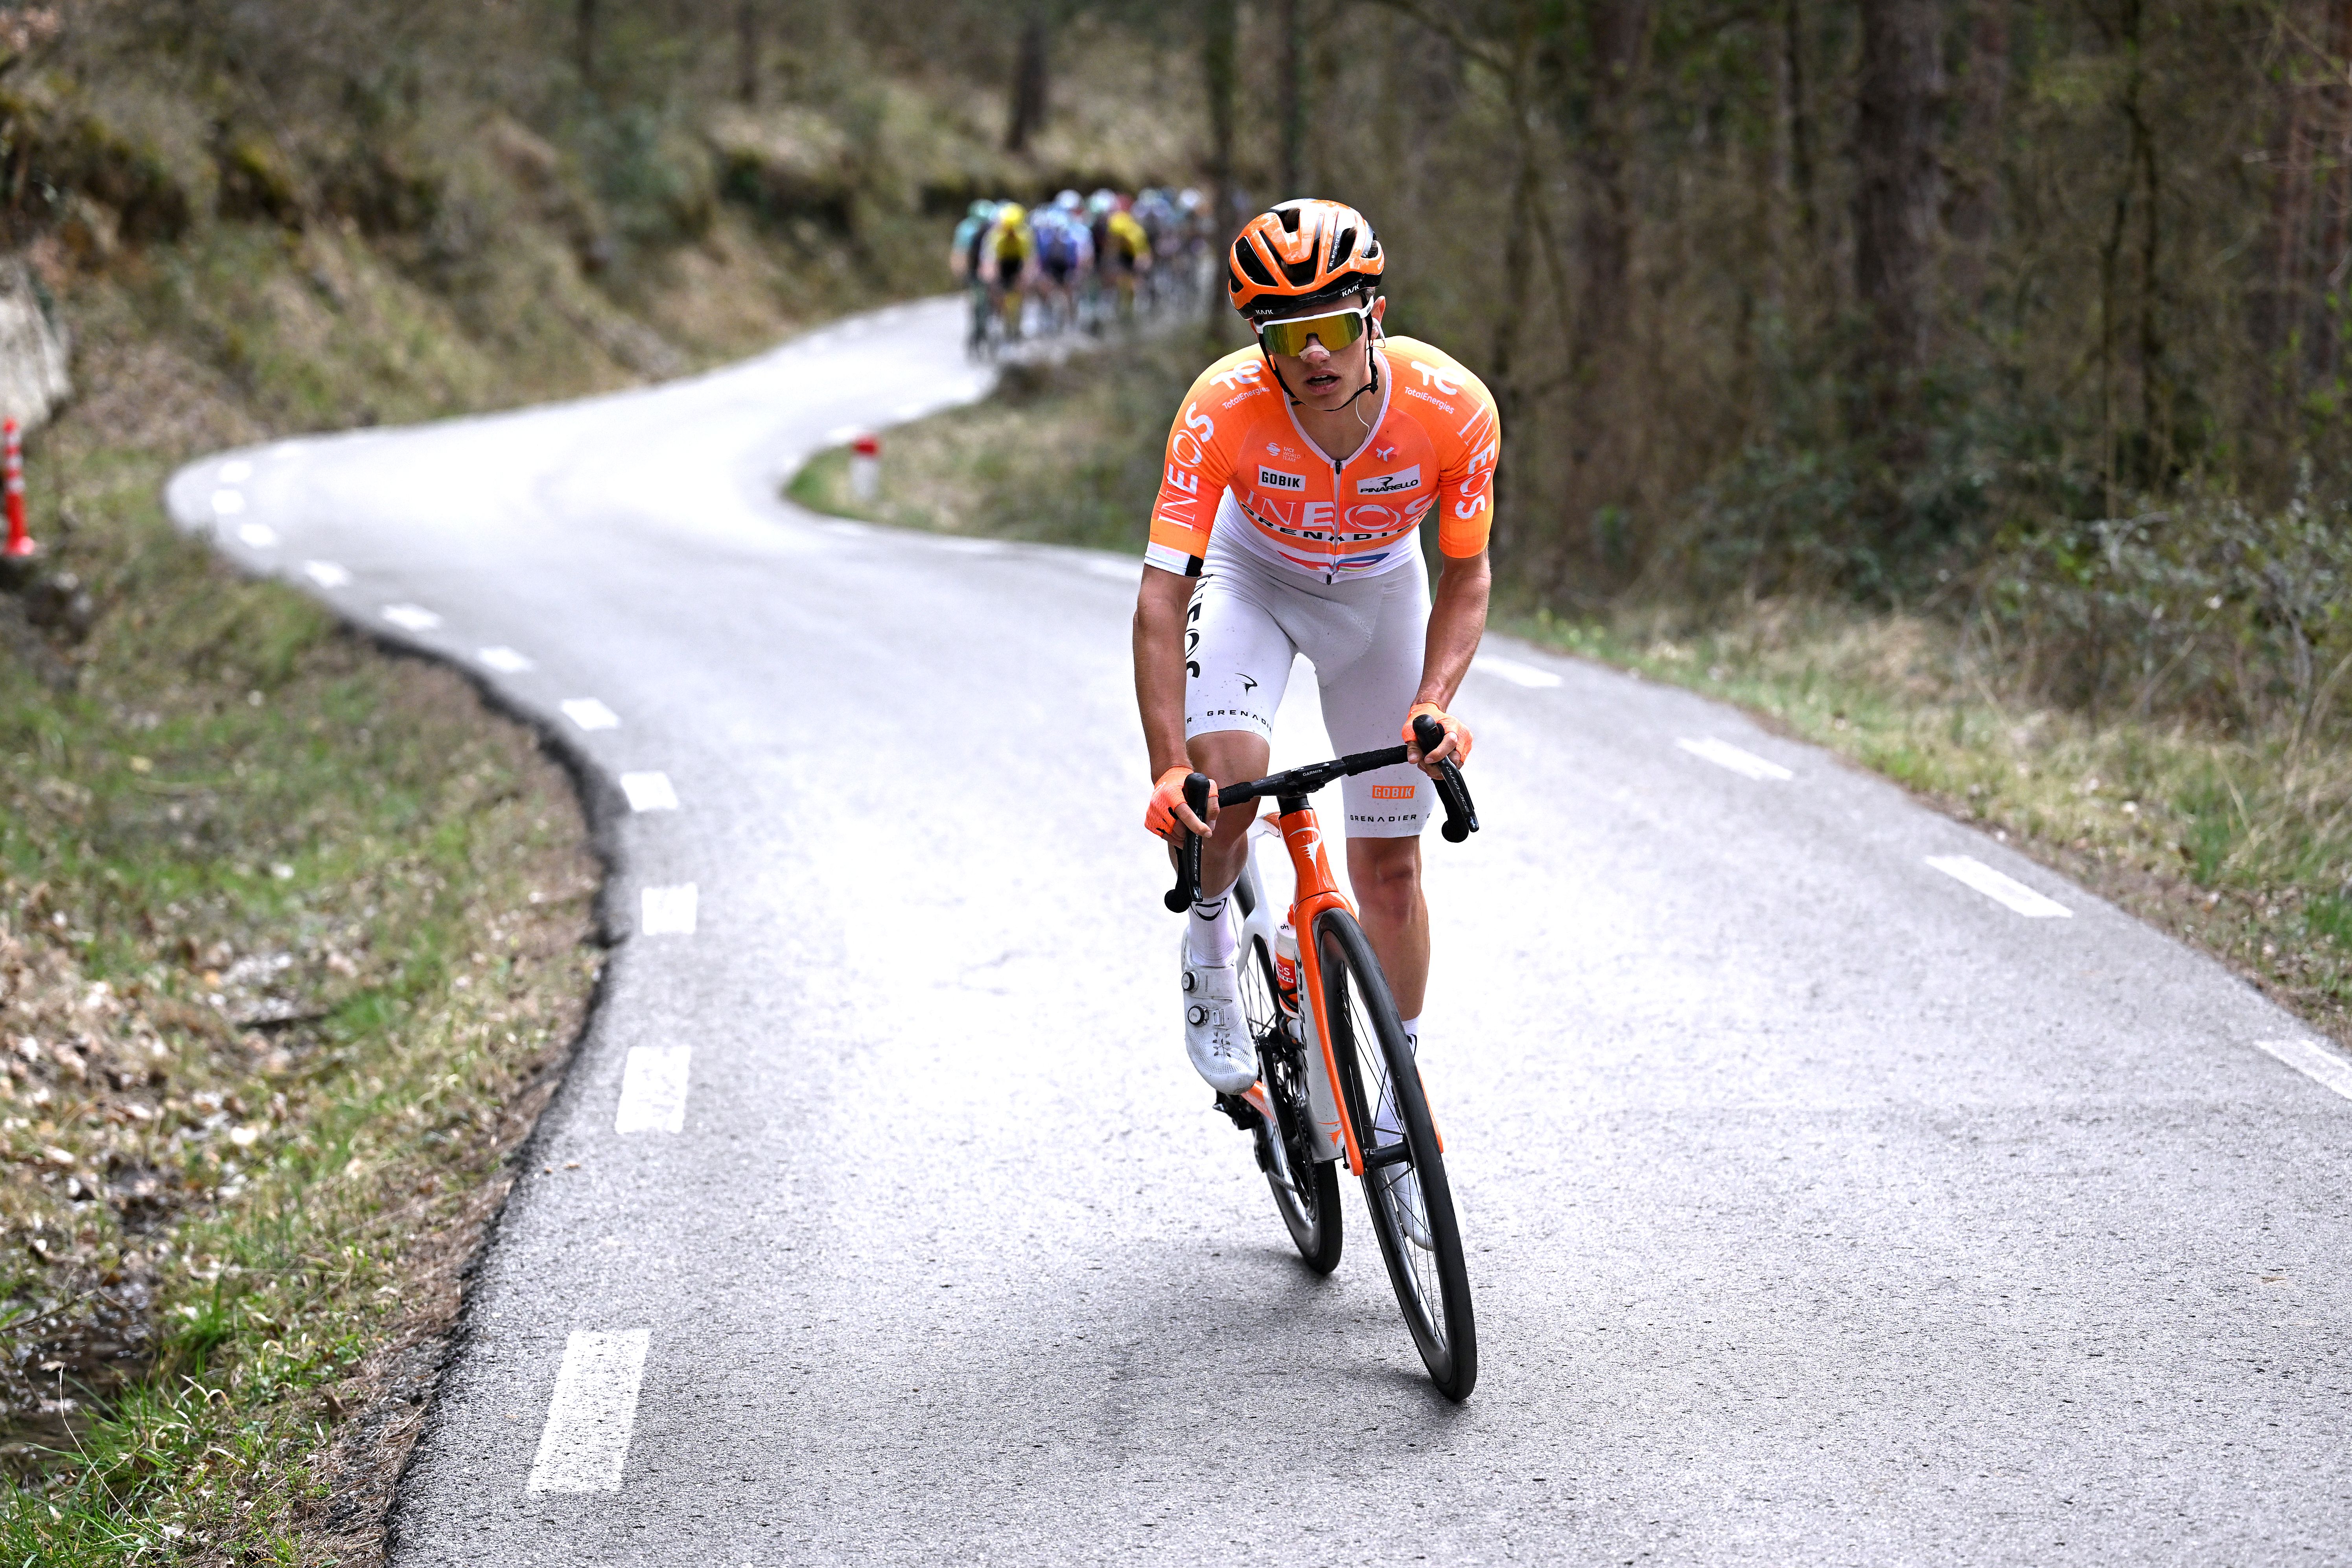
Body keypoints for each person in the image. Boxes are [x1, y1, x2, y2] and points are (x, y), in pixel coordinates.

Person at [1131, 198, 1499, 1105]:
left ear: (1374, 316)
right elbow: (1160, 594)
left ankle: (1395, 1095)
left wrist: (1436, 698)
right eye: (1286, 337)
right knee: (1228, 773)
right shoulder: (1219, 406)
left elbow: (1466, 574)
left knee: (1391, 864)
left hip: (1381, 595)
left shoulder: (1453, 408)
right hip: (1252, 579)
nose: (1314, 358)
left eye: (1334, 328)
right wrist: (1167, 767)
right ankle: (1210, 941)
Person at [949, 199, 999, 355]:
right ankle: (984, 325)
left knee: (977, 299)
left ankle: (980, 325)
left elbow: (958, 254)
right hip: (984, 271)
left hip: (977, 271)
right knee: (985, 298)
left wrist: (960, 273)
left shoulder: (965, 228)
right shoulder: (995, 229)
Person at [981, 202, 1035, 342]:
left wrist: (1025, 278)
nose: (1010, 232)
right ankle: (998, 316)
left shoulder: (1025, 236)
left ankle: (1017, 325)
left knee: (1020, 292)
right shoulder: (995, 236)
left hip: (1016, 264)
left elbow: (1028, 261)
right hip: (1002, 263)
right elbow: (990, 260)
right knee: (996, 289)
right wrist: (991, 278)